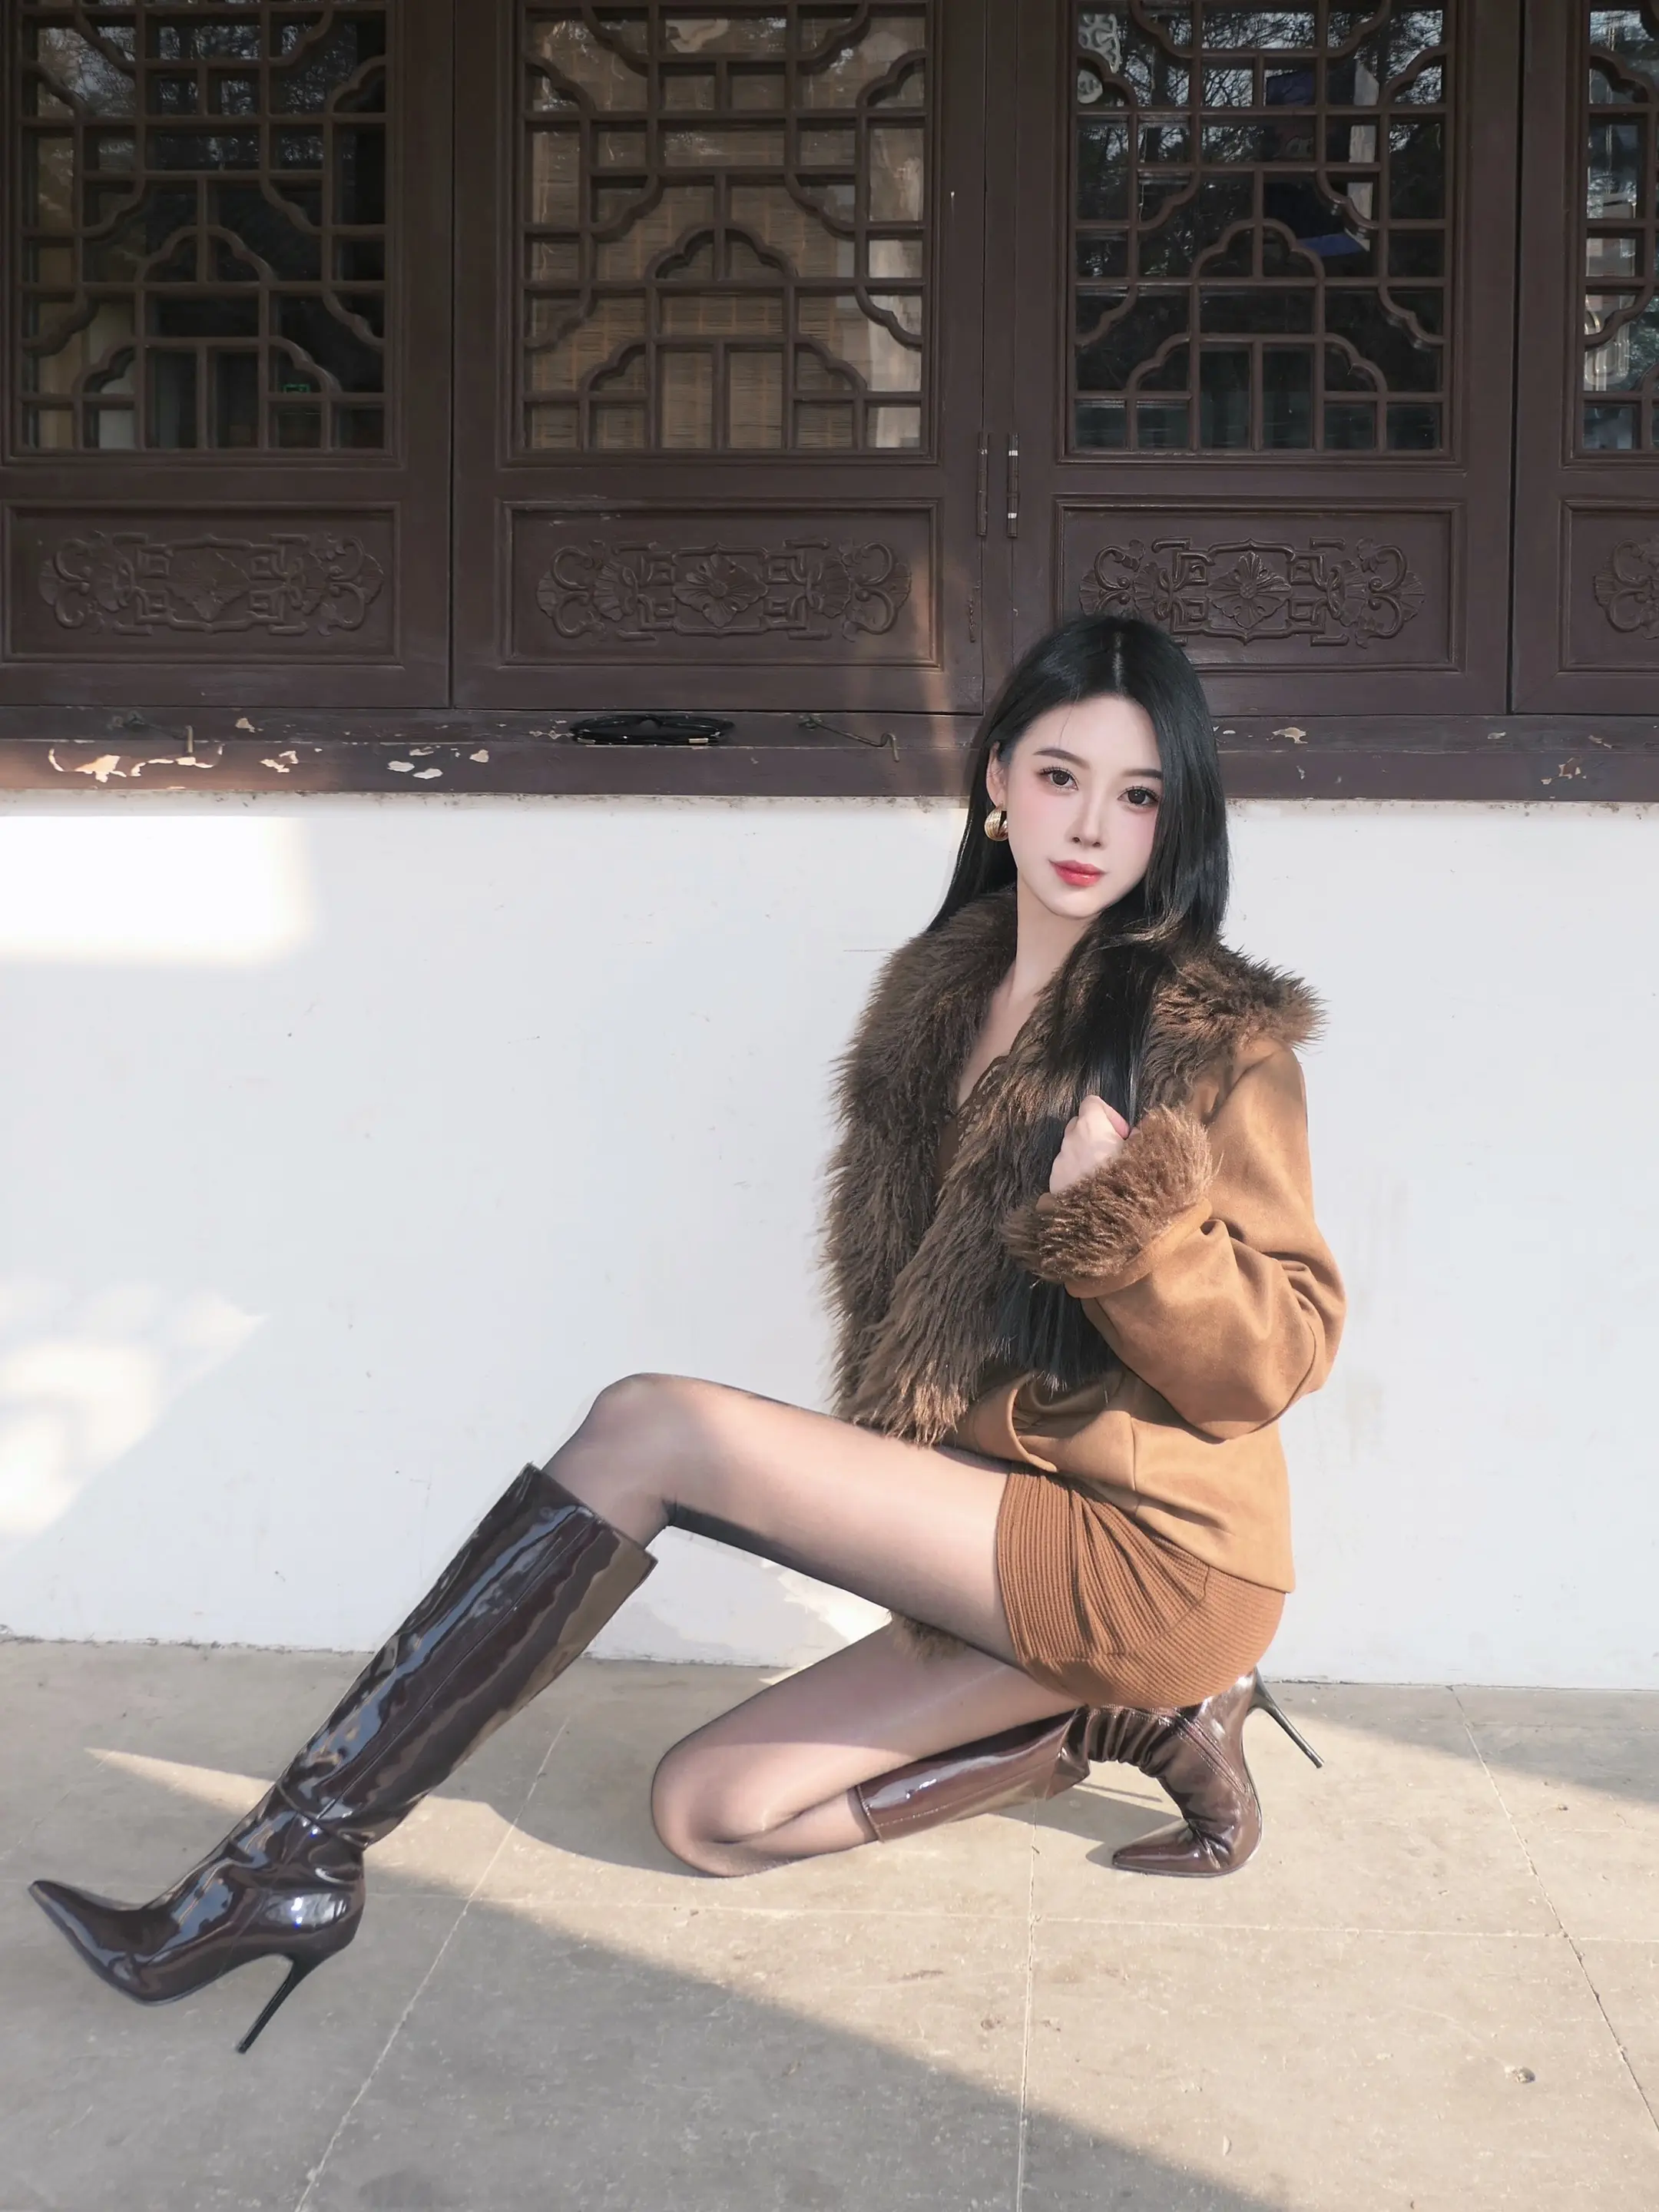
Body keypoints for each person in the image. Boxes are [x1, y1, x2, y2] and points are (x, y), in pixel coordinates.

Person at [30, 614, 1343, 2054]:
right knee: (709, 1815)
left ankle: (288, 1865)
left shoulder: (1212, 1040)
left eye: (1138, 794)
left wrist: (1134, 1227)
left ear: (1177, 817)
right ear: (996, 785)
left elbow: (1279, 1357)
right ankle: (1126, 1719)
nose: (1091, 825)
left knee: (652, 1427)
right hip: (1004, 1530)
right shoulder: (942, 1002)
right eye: (1060, 776)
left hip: (1159, 1555)